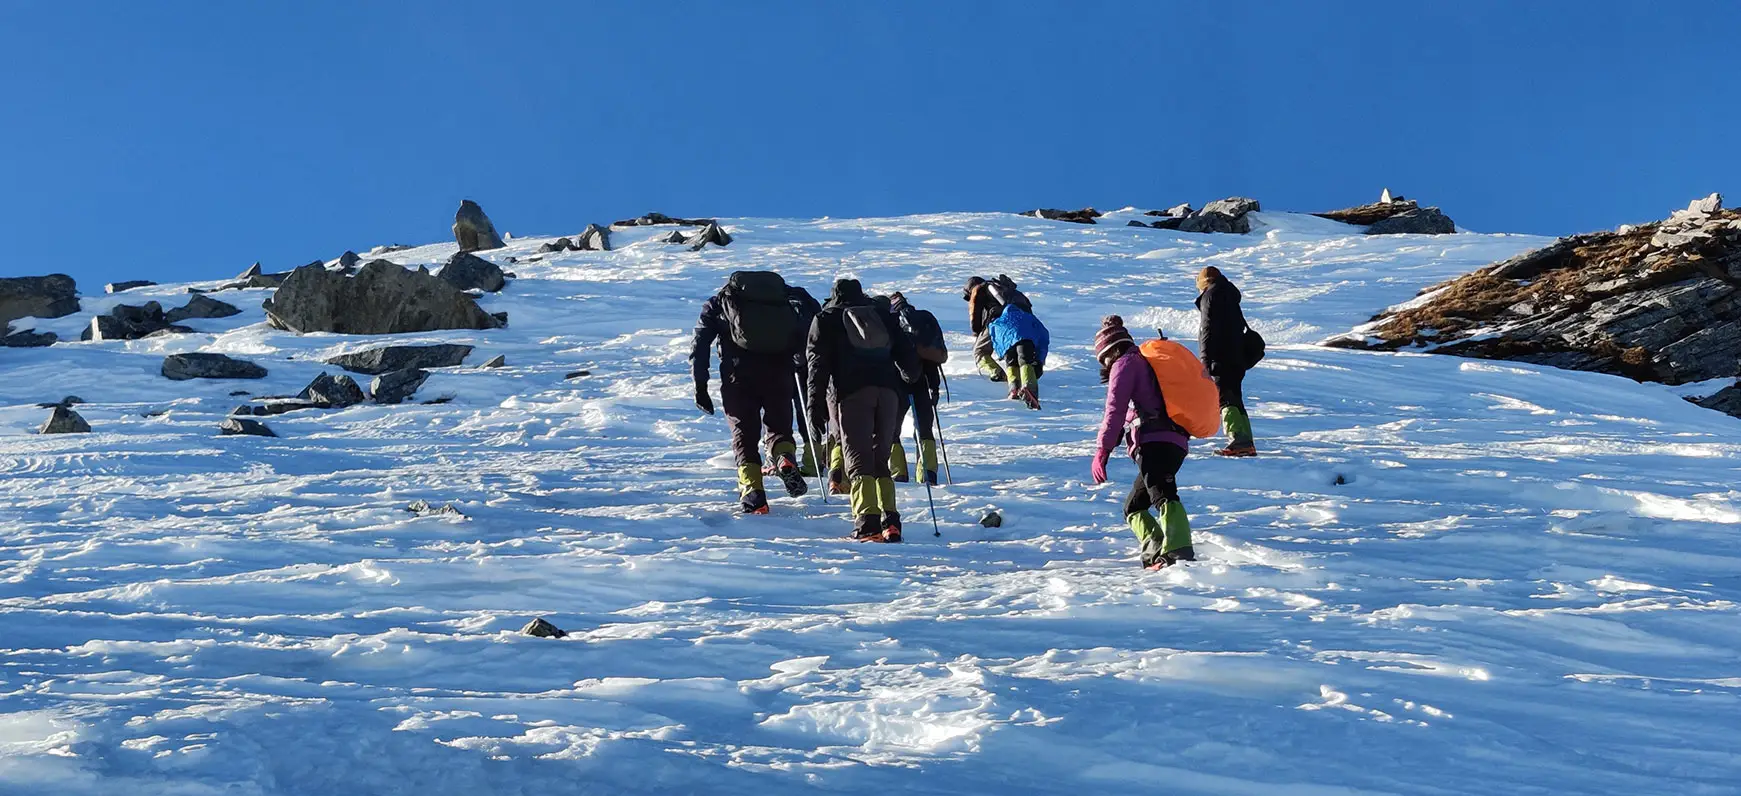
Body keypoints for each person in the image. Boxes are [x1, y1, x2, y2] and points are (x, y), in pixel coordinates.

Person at [806, 278, 922, 542]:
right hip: (888, 393)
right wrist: (909, 378)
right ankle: (890, 522)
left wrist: (815, 406)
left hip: (852, 394)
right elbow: (908, 356)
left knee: (858, 459)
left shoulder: (826, 319)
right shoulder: (881, 315)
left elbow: (817, 367)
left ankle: (867, 524)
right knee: (880, 458)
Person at [691, 270, 809, 514]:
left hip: (737, 376)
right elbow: (810, 321)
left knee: (743, 433)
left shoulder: (720, 302)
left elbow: (700, 342)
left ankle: (753, 492)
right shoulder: (784, 298)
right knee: (779, 427)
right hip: (780, 372)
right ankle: (784, 457)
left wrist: (700, 384)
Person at [1089, 315, 1195, 569]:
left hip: (1154, 440)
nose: (1105, 365)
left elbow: (1114, 410)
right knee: (1134, 507)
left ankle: (1178, 550)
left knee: (1163, 494)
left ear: (1109, 351)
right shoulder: (1147, 362)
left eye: (1103, 359)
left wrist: (1102, 450)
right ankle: (1156, 551)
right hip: (1175, 440)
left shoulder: (1125, 363)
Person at [1196, 266, 1258, 457]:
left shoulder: (1210, 296)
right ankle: (1246, 440)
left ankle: (1238, 439)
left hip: (1220, 358)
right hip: (1237, 357)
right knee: (1235, 397)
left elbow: (1207, 330)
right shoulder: (1230, 296)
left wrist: (1205, 360)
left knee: (1225, 398)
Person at [885, 292, 946, 486]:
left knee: (892, 428)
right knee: (924, 428)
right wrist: (935, 387)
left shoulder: (890, 322)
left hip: (896, 381)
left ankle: (898, 472)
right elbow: (934, 359)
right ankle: (928, 472)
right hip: (924, 381)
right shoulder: (925, 319)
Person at [987, 294, 1049, 410]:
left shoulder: (997, 322)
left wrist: (1002, 354)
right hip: (1025, 341)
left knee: (1011, 364)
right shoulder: (1027, 316)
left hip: (1006, 346)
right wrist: (1040, 360)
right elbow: (1044, 336)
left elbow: (995, 340)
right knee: (1025, 361)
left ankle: (1014, 389)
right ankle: (1029, 388)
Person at [962, 277, 1007, 382]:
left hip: (997, 321)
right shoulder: (999, 289)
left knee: (979, 351)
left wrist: (977, 332)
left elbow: (975, 314)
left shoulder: (978, 290)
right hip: (1016, 320)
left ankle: (997, 373)